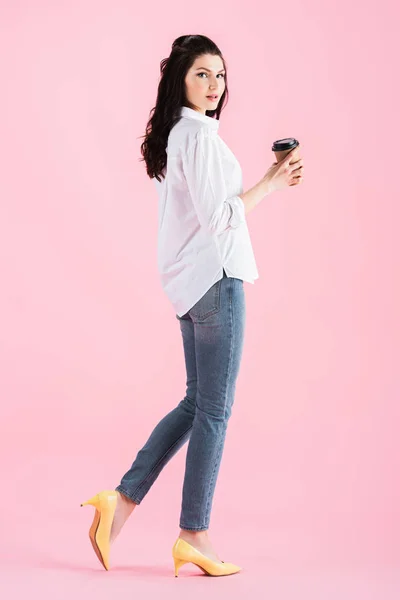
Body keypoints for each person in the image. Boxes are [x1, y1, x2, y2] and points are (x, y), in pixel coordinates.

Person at [80, 34, 304, 577]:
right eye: (203, 74)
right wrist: (271, 184)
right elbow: (220, 218)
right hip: (216, 279)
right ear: (181, 78)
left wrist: (266, 181)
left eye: (221, 75)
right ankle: (194, 533)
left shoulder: (177, 134)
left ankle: (121, 502)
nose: (214, 85)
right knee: (214, 410)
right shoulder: (198, 137)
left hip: (189, 283)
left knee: (195, 403)